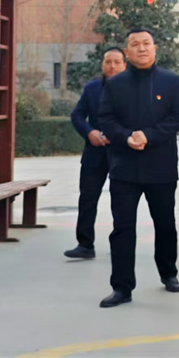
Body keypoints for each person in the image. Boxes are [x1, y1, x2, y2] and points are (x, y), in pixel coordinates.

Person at [98, 28, 179, 307]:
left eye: (146, 43)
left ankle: (168, 272)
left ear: (154, 48)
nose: (141, 48)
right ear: (127, 52)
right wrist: (126, 137)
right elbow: (105, 119)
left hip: (161, 167)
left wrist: (148, 135)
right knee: (122, 228)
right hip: (124, 167)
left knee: (165, 224)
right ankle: (122, 287)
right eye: (135, 44)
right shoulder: (115, 84)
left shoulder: (171, 81)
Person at [64, 47, 126, 259]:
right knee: (88, 198)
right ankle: (85, 244)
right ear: (102, 65)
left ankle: (121, 244)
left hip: (122, 153)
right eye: (108, 62)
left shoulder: (133, 89)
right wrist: (89, 132)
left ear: (124, 65)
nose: (112, 66)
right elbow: (77, 115)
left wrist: (120, 136)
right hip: (95, 152)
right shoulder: (92, 89)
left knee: (121, 201)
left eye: (117, 62)